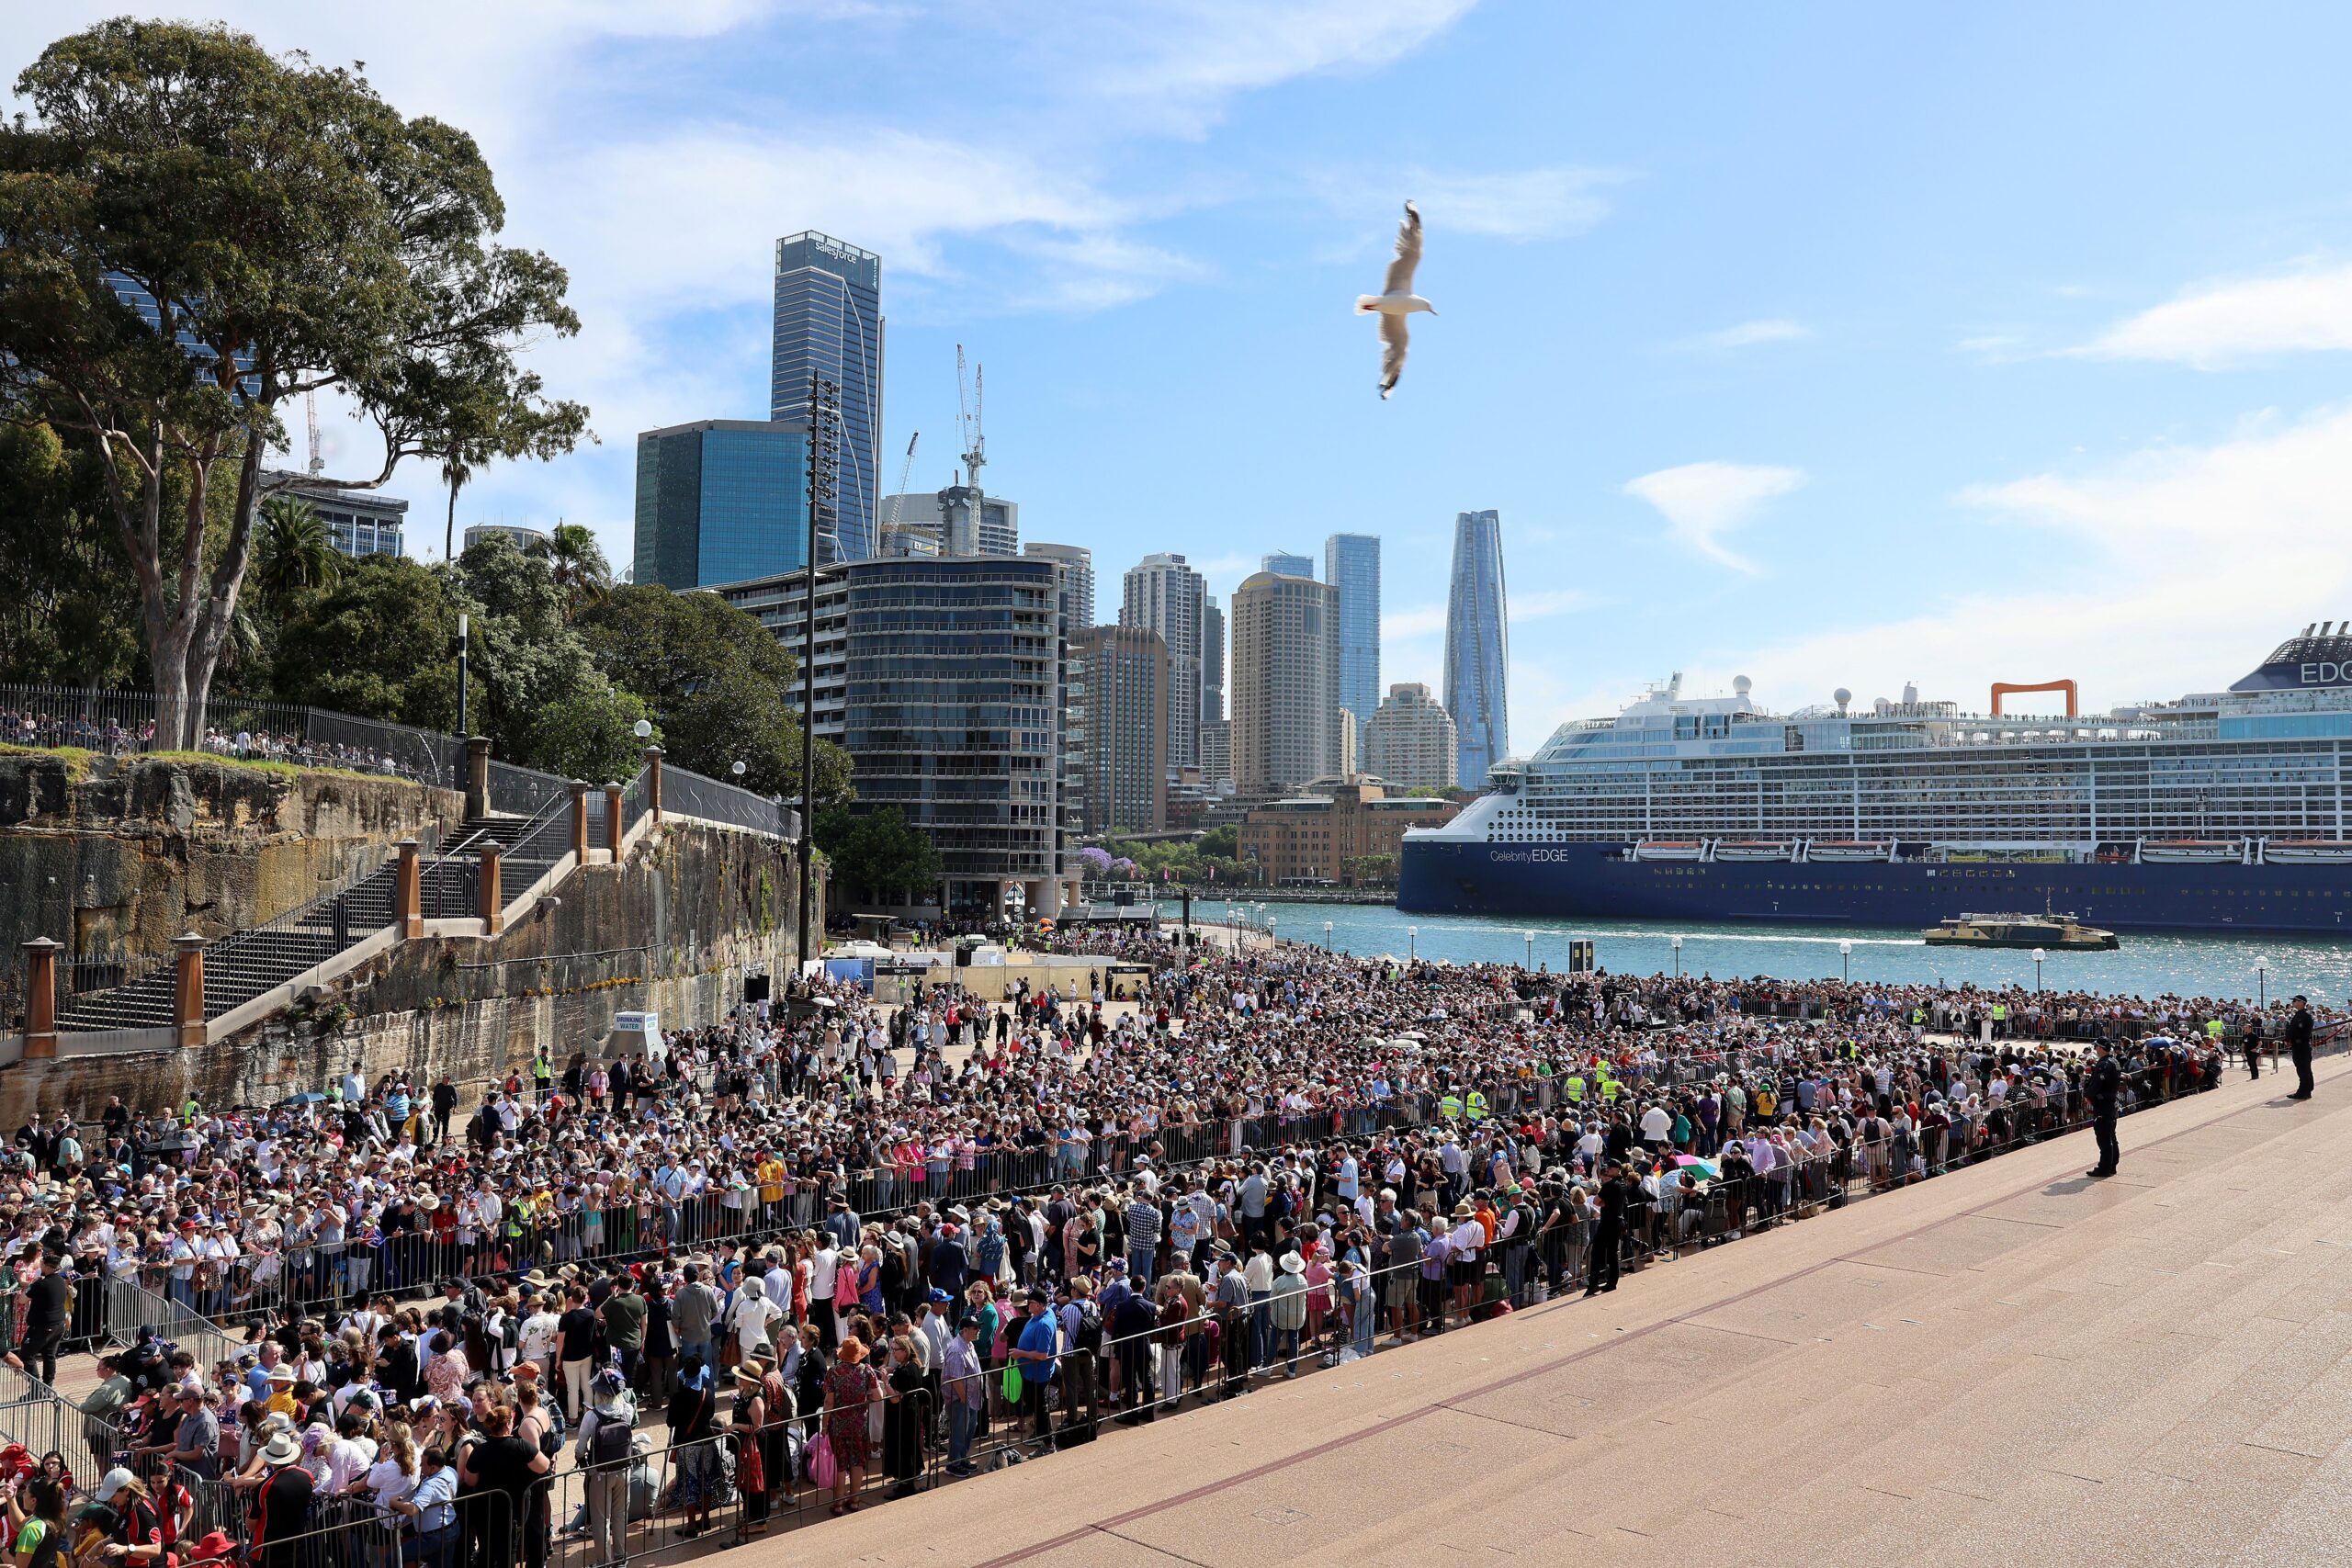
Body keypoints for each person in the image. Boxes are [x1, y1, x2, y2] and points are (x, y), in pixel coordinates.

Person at [574, 1368, 636, 1568]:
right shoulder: (627, 1410)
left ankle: (604, 1562)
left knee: (602, 1520)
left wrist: (580, 1458)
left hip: (600, 1474)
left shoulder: (592, 1417)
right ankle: (621, 1558)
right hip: (624, 1471)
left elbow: (580, 1448)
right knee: (620, 1516)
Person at [820, 1336, 882, 1517]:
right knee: (857, 1461)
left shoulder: (834, 1372)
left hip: (838, 1423)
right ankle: (855, 1500)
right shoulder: (867, 1371)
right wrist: (865, 1399)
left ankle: (838, 1503)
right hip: (859, 1423)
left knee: (840, 1461)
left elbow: (828, 1402)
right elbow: (878, 1396)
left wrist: (824, 1425)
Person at [1585, 1162, 1627, 1297]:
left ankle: (1593, 1283)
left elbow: (1597, 1202)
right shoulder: (1623, 1185)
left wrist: (1605, 1203)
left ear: (1618, 1169)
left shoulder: (1609, 1186)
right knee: (1612, 1253)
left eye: (1611, 1168)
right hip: (1617, 1221)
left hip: (1607, 1222)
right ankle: (1612, 1282)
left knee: (1597, 1252)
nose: (1608, 1170)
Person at [2086, 1039, 2123, 1179]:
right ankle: (2112, 1164)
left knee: (2103, 1137)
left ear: (2101, 1048)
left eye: (2096, 1047)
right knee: (2111, 1135)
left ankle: (2104, 1167)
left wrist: (2088, 1095)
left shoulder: (2104, 1064)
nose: (2095, 1049)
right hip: (2111, 1103)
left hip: (2103, 1104)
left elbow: (2096, 1085)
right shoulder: (2114, 1062)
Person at [2289, 995, 2316, 1100]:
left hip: (2301, 1045)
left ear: (2301, 1002)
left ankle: (2303, 1091)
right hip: (2299, 1044)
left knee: (2302, 1069)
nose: (2293, 1003)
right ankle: (2307, 1090)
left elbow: (2298, 1030)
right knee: (2305, 1068)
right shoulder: (2301, 1014)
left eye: (2295, 1001)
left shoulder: (2304, 1015)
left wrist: (2290, 1037)